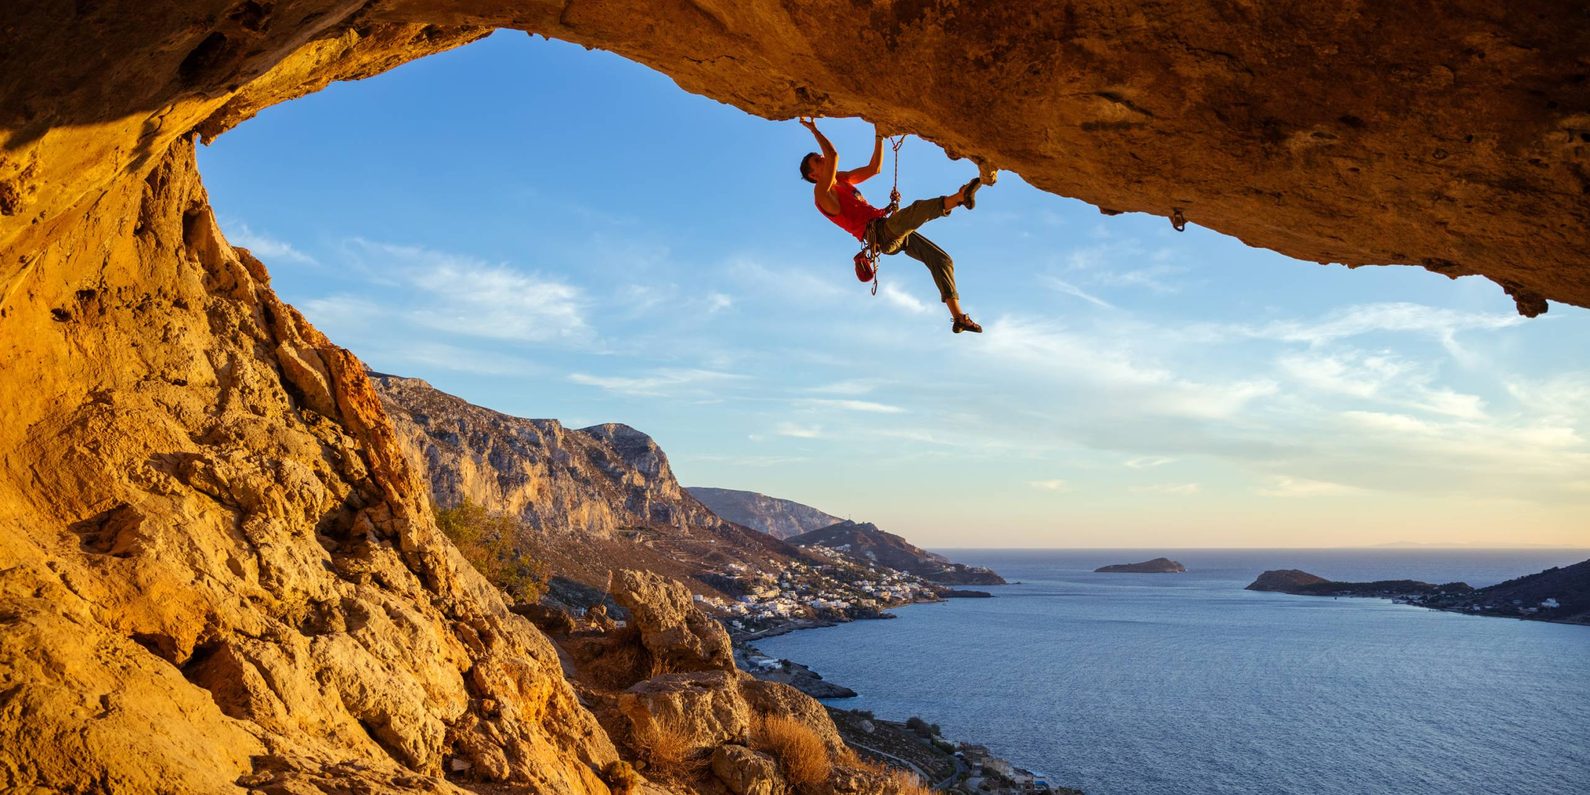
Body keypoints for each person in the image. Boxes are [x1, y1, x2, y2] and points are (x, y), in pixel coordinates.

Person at [798, 117, 984, 334]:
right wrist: (814, 130)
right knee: (915, 211)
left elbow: (874, 168)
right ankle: (960, 197)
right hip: (880, 234)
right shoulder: (821, 194)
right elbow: (833, 155)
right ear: (813, 175)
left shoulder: (841, 180)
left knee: (941, 259)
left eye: (820, 158)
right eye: (818, 161)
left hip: (886, 228)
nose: (823, 159)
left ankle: (958, 317)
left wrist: (880, 134)